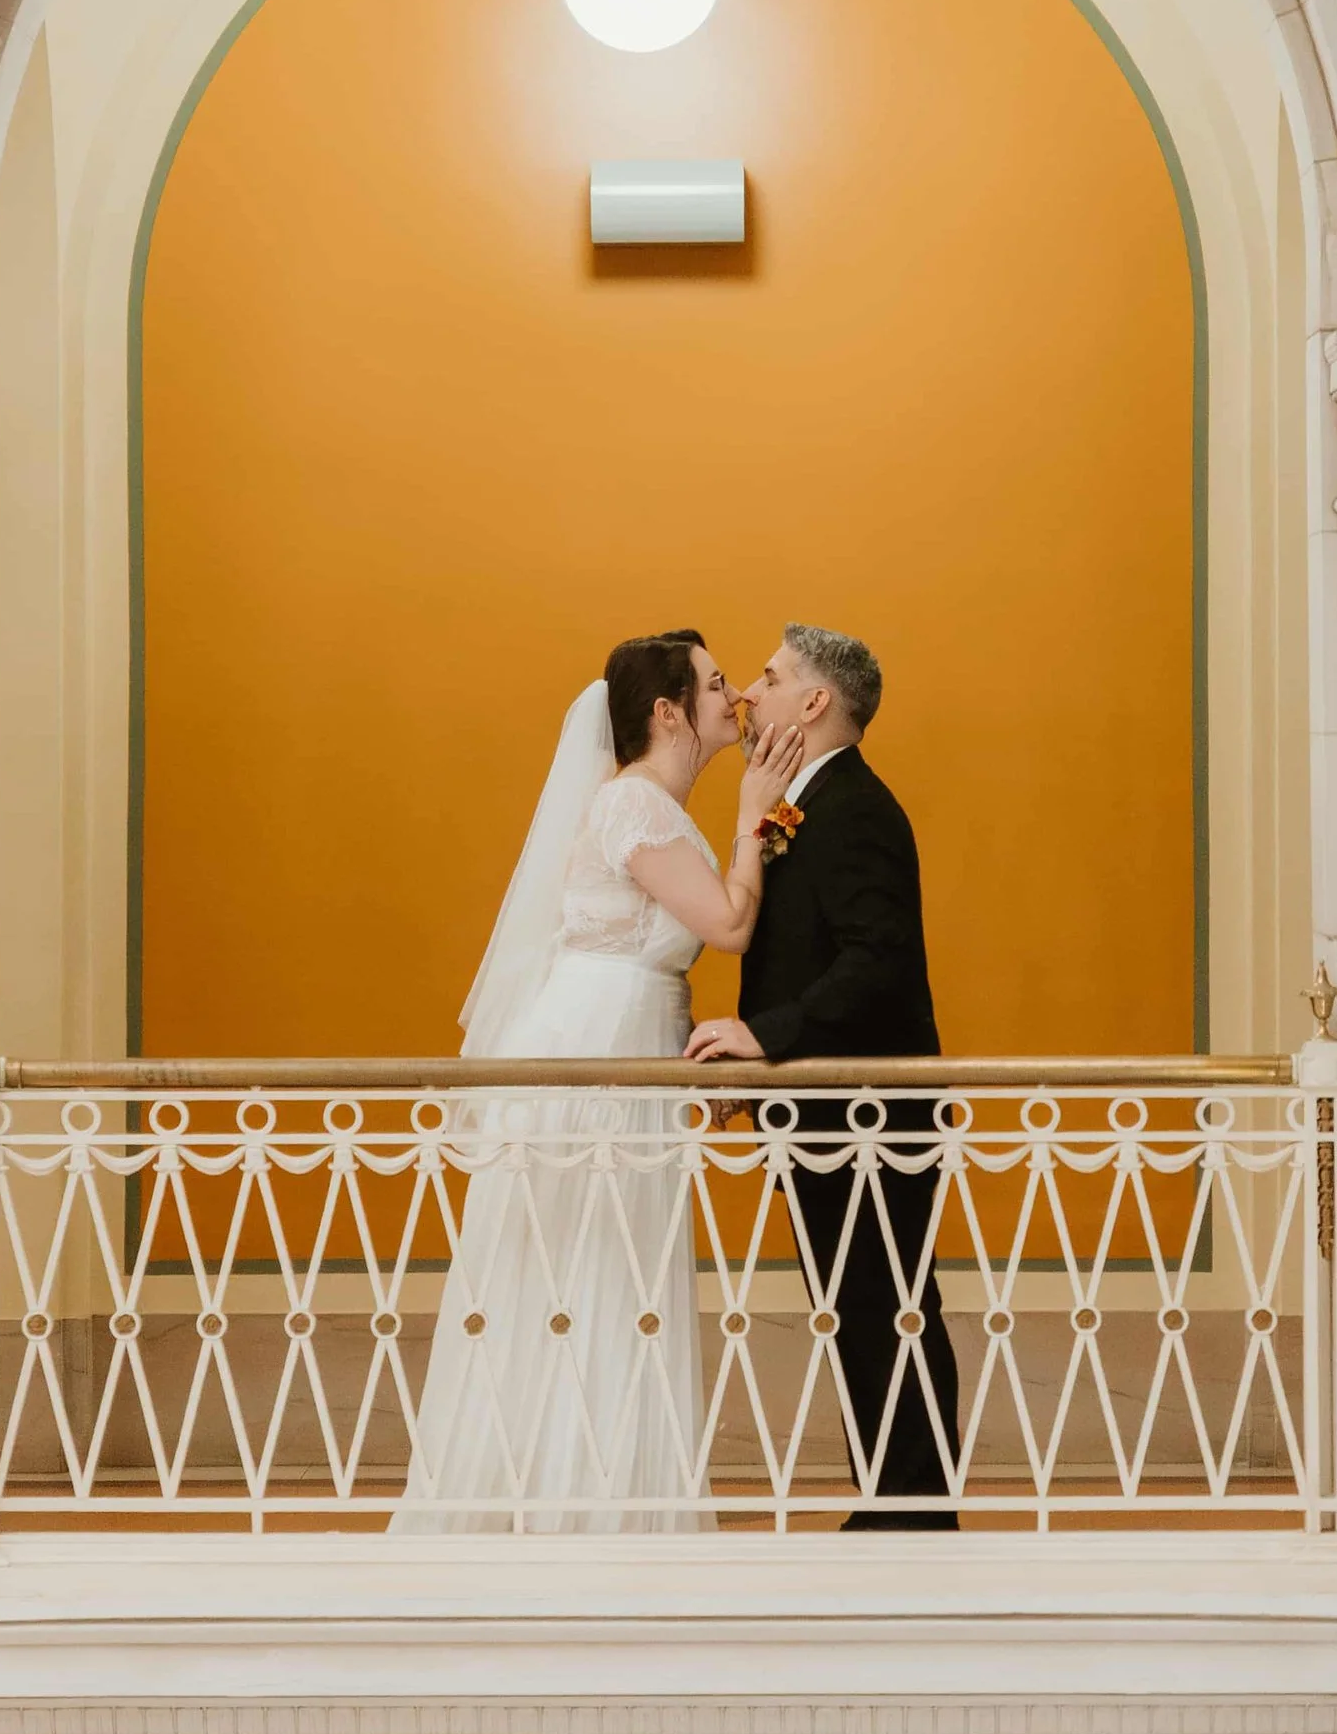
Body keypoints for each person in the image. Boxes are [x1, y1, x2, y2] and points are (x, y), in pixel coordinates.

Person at [392, 633, 805, 1530]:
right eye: (713, 683)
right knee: (586, 1268)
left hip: (631, 1034)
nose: (733, 696)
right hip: (600, 1043)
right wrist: (755, 814)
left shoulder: (652, 810)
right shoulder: (636, 810)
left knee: (618, 1273)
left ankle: (610, 1494)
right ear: (666, 712)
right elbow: (728, 925)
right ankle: (556, 1504)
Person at [685, 623, 961, 1530]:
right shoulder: (808, 802)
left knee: (889, 1308)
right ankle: (895, 1506)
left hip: (871, 1114)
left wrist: (763, 1037)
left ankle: (915, 1517)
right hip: (825, 1111)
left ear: (814, 702)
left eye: (768, 678)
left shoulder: (857, 810)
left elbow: (875, 961)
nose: (748, 694)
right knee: (858, 1310)